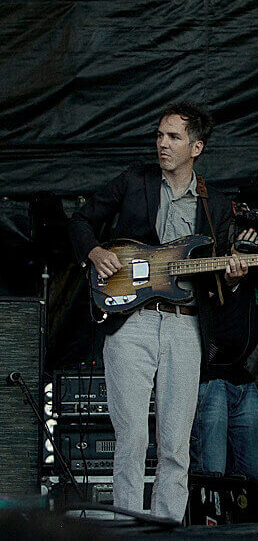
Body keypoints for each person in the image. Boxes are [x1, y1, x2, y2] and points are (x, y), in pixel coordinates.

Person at [68, 102, 248, 521]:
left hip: (185, 326)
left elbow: (219, 277)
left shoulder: (214, 205)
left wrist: (235, 276)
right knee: (130, 439)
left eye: (173, 137)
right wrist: (95, 253)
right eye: (160, 135)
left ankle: (168, 527)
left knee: (176, 443)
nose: (162, 144)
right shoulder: (135, 180)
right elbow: (79, 221)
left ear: (196, 147)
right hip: (131, 321)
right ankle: (127, 527)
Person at [189, 227, 258, 519]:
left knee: (256, 474)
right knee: (212, 471)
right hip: (211, 380)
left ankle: (249, 530)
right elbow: (210, 305)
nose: (244, 255)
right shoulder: (212, 271)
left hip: (242, 383)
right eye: (239, 248)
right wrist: (230, 278)